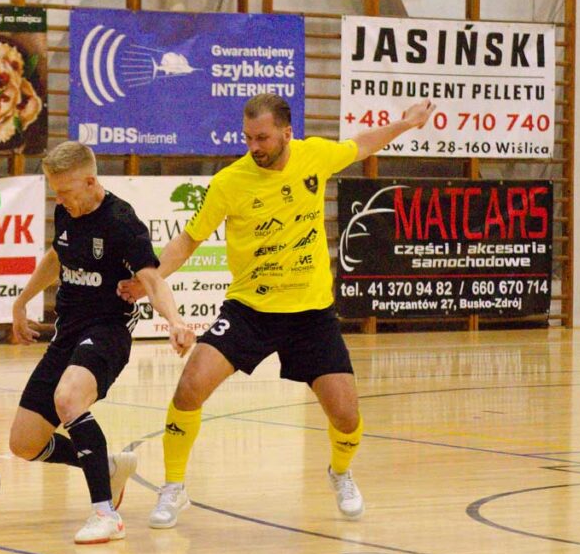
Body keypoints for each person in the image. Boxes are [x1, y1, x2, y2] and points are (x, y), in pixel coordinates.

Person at [118, 94, 435, 528]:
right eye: (248, 137)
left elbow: (362, 143)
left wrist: (407, 122)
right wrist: (149, 278)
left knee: (346, 415)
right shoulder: (231, 181)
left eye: (263, 137)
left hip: (311, 315)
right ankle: (174, 487)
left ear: (287, 133)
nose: (254, 146)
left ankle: (340, 473)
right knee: (190, 386)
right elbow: (188, 240)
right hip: (251, 308)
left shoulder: (315, 155)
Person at [10, 141, 195, 544]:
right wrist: (23, 301)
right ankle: (105, 466)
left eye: (65, 191)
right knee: (25, 443)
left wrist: (175, 321)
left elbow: (151, 279)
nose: (59, 200)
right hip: (67, 335)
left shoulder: (121, 222)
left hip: (107, 332)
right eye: (54, 192)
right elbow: (56, 258)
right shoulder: (66, 211)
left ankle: (105, 514)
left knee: (69, 397)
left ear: (91, 181)